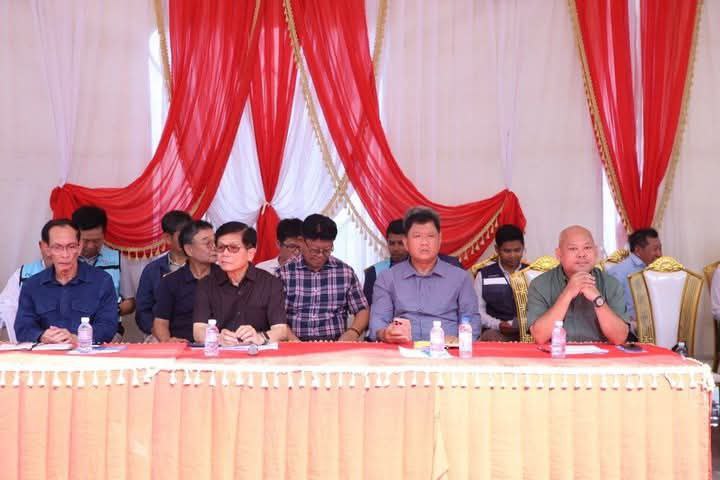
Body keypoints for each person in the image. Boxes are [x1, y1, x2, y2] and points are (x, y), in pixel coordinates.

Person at [369, 207, 480, 343]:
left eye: (430, 236)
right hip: (401, 350)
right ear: (406, 242)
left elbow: (471, 321)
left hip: (448, 351)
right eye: (417, 236)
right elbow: (378, 320)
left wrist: (459, 342)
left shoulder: (460, 278)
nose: (424, 243)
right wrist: (385, 333)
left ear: (439, 239)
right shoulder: (387, 278)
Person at [14, 219, 118, 344]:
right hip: (45, 352)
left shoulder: (102, 281)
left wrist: (78, 338)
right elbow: (22, 327)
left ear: (79, 247)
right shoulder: (32, 285)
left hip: (86, 352)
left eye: (71, 246)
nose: (65, 255)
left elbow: (108, 326)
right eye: (57, 247)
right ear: (46, 249)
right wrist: (41, 336)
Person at [527, 225, 629, 344]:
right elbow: (540, 336)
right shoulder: (540, 284)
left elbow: (620, 338)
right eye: (573, 249)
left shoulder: (611, 284)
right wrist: (567, 294)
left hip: (600, 353)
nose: (581, 254)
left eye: (587, 247)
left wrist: (597, 299)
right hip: (556, 352)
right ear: (559, 254)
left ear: (596, 251)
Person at [193, 222, 289, 345]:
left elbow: (280, 330)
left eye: (233, 248)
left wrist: (260, 337)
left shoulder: (270, 283)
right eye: (221, 248)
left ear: (250, 254)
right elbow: (198, 330)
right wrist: (218, 338)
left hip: (257, 353)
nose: (225, 254)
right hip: (221, 352)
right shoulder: (206, 284)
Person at [279, 214, 368, 342]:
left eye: (326, 250)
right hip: (295, 342)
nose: (320, 255)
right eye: (315, 250)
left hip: (335, 343)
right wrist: (292, 339)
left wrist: (353, 332)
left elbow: (362, 309)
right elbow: (276, 316)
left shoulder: (345, 272)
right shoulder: (284, 273)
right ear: (301, 242)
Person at [363, 219, 463, 306]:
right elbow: (370, 310)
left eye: (401, 243)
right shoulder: (374, 272)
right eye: (392, 243)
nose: (396, 248)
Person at [153, 220, 217, 343]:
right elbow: (160, 322)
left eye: (215, 241)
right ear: (189, 249)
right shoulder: (170, 282)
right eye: (207, 243)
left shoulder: (226, 277)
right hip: (183, 345)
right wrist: (168, 341)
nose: (214, 247)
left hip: (218, 345)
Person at [135, 210, 192, 335]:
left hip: (194, 333)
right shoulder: (152, 270)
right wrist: (157, 332)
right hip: (157, 334)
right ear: (167, 238)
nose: (188, 239)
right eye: (182, 235)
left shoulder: (201, 267)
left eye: (190, 234)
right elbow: (142, 311)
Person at [72, 206, 136, 317]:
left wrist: (111, 311)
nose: (91, 246)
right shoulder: (66, 259)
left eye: (96, 240)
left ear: (104, 234)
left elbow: (130, 303)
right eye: (85, 241)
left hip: (109, 324)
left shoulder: (118, 258)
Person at [0, 220, 54, 343]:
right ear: (42, 246)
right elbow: (4, 307)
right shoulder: (24, 274)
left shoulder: (84, 275)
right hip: (29, 344)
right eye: (52, 247)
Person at [474, 224, 529, 341]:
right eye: (507, 251)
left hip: (529, 331)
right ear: (497, 249)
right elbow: (477, 312)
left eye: (517, 250)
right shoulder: (484, 275)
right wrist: (498, 324)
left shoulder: (531, 272)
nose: (513, 255)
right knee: (490, 337)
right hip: (497, 332)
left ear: (523, 248)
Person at [607, 228, 663, 322]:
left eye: (660, 248)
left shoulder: (656, 269)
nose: (659, 254)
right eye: (655, 249)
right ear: (638, 250)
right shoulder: (618, 273)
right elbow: (612, 310)